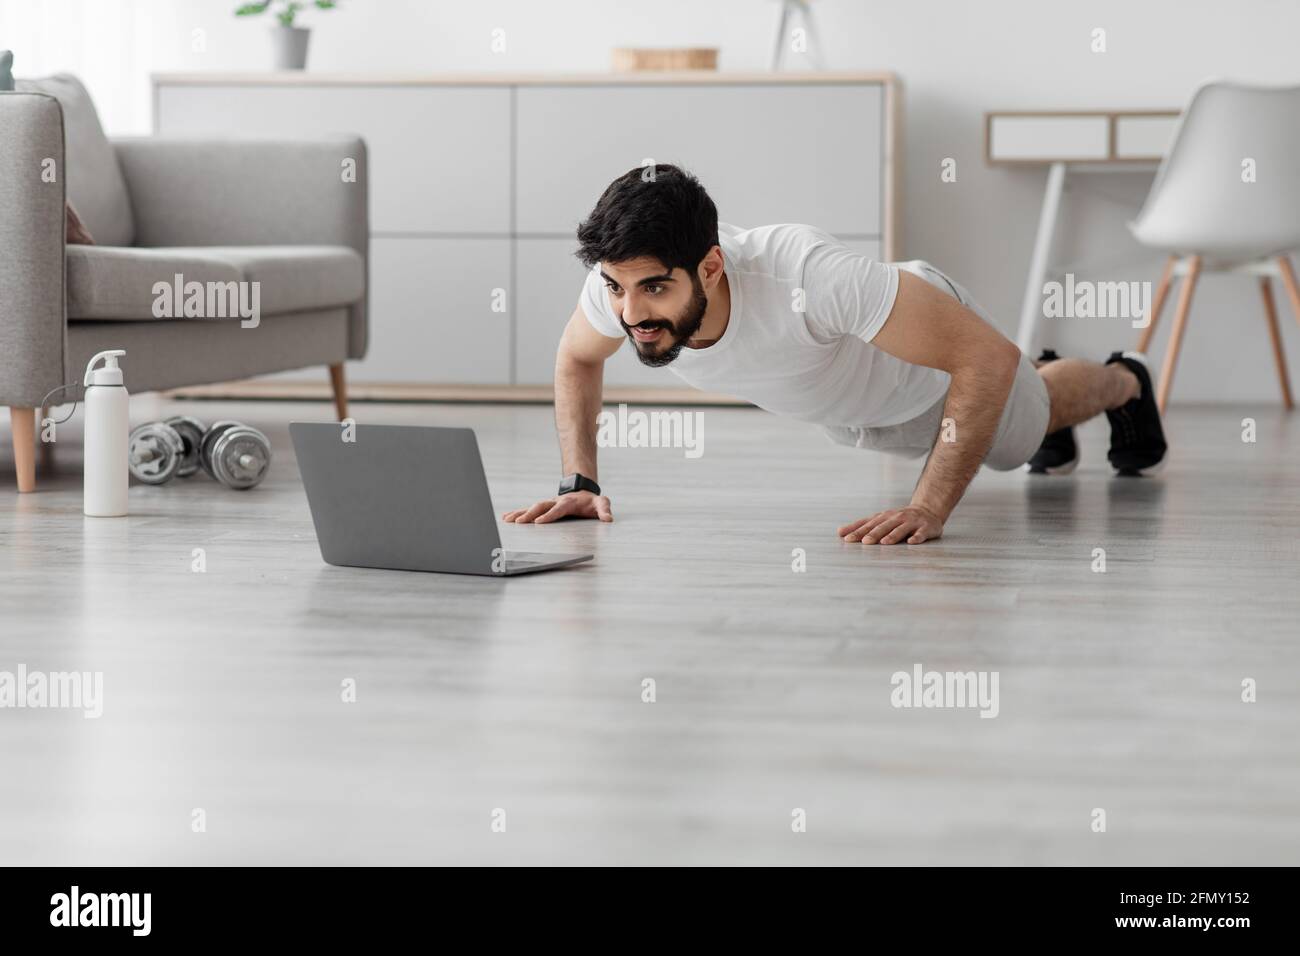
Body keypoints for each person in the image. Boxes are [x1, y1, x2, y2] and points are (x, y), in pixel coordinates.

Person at [504, 165, 1166, 545]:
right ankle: (1040, 393)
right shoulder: (619, 288)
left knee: (1027, 423)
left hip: (933, 369)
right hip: (860, 408)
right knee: (1025, 415)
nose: (630, 315)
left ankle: (1123, 382)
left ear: (710, 267)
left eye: (653, 289)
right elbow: (576, 359)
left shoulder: (806, 275)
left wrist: (928, 508)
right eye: (617, 289)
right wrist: (580, 483)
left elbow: (986, 361)